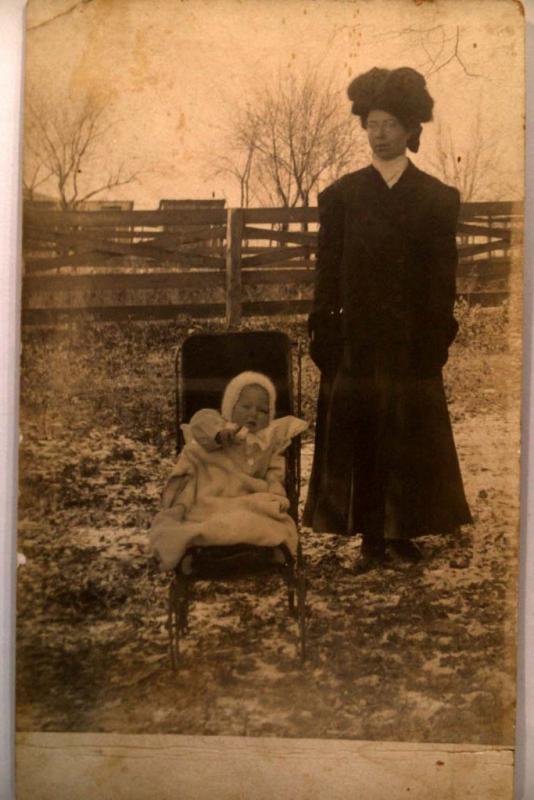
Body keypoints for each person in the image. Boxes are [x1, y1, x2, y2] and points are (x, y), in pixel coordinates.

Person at [303, 67, 472, 573]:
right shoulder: (342, 197)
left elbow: (443, 277)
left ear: (410, 130)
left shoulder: (436, 200)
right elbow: (326, 273)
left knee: (407, 435)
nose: (379, 133)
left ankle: (405, 534)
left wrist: (437, 334)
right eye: (372, 123)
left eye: (390, 124)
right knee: (363, 435)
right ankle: (370, 539)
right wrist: (324, 328)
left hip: (410, 342)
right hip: (356, 341)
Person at [150, 371, 307, 571]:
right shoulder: (218, 424)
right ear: (230, 407)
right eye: (245, 406)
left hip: (250, 496)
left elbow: (275, 471)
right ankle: (200, 551)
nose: (253, 414)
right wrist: (219, 434)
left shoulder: (267, 440)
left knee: (265, 517)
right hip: (212, 494)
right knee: (202, 520)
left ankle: (259, 550)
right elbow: (200, 421)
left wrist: (276, 493)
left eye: (263, 411)